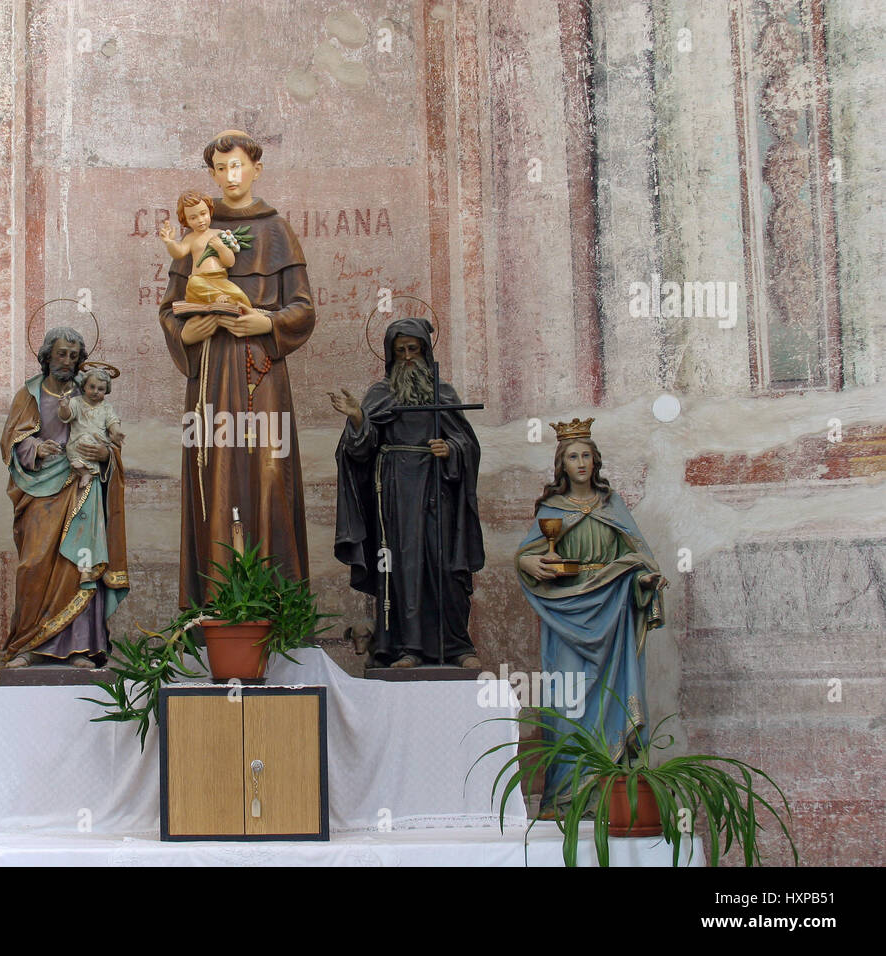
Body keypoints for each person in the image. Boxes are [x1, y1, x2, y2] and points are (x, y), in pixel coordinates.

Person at [158, 130, 315, 607]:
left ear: (255, 170)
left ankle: (274, 610)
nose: (230, 176)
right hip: (208, 373)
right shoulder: (195, 229)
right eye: (221, 168)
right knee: (213, 473)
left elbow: (304, 310)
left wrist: (265, 320)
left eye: (238, 166)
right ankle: (215, 607)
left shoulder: (277, 231)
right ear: (211, 175)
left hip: (261, 371)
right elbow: (171, 309)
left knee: (268, 474)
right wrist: (188, 334)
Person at [515, 418, 667, 808]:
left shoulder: (612, 504)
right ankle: (566, 797)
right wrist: (528, 563)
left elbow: (638, 556)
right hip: (566, 614)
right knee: (569, 700)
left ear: (595, 462)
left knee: (612, 695)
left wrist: (644, 581)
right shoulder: (551, 508)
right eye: (572, 457)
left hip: (612, 611)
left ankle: (613, 792)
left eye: (586, 455)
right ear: (561, 465)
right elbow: (527, 554)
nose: (580, 463)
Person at [330, 317, 485, 668]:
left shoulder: (442, 393)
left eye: (413, 349)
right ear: (390, 355)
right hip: (395, 494)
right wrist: (357, 419)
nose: (408, 357)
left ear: (426, 351)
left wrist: (452, 450)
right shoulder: (379, 394)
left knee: (446, 564)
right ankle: (407, 648)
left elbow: (467, 443)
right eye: (400, 351)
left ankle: (459, 647)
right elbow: (358, 451)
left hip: (437, 490)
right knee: (401, 567)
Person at [0, 327, 130, 667]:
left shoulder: (90, 393)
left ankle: (79, 648)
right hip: (40, 489)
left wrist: (105, 454)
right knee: (34, 562)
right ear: (46, 355)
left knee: (79, 564)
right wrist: (35, 447)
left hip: (83, 485)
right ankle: (27, 645)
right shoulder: (29, 394)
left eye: (74, 356)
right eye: (61, 353)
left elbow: (112, 441)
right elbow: (10, 442)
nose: (67, 361)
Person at [59, 367, 125, 491]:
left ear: (106, 391)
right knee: (76, 449)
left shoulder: (106, 407)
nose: (95, 391)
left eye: (101, 389)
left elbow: (113, 421)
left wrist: (116, 432)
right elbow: (66, 416)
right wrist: (64, 407)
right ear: (84, 386)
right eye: (92, 387)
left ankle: (88, 471)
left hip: (97, 443)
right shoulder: (76, 402)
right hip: (77, 442)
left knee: (89, 442)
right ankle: (85, 472)